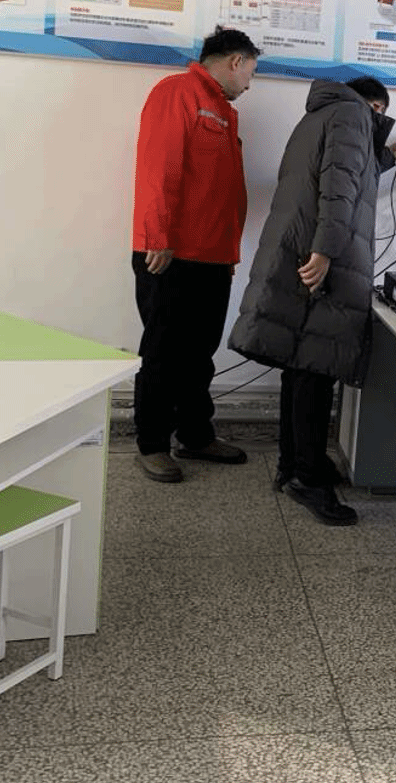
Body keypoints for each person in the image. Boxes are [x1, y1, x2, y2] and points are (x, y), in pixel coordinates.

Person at [228, 75, 390, 526]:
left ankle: (294, 465)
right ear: (375, 107)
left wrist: (390, 153)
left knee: (299, 367)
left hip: (298, 249)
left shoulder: (321, 114)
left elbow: (350, 171)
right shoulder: (354, 115)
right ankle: (308, 479)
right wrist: (327, 252)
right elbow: (339, 187)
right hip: (322, 260)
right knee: (315, 372)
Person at [129, 27, 261, 483]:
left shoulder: (223, 110)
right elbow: (159, 166)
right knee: (163, 352)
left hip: (212, 255)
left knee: (199, 354)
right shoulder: (178, 93)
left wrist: (229, 253)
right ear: (235, 61)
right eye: (251, 73)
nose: (249, 84)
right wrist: (158, 236)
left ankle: (195, 434)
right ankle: (151, 444)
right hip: (171, 253)